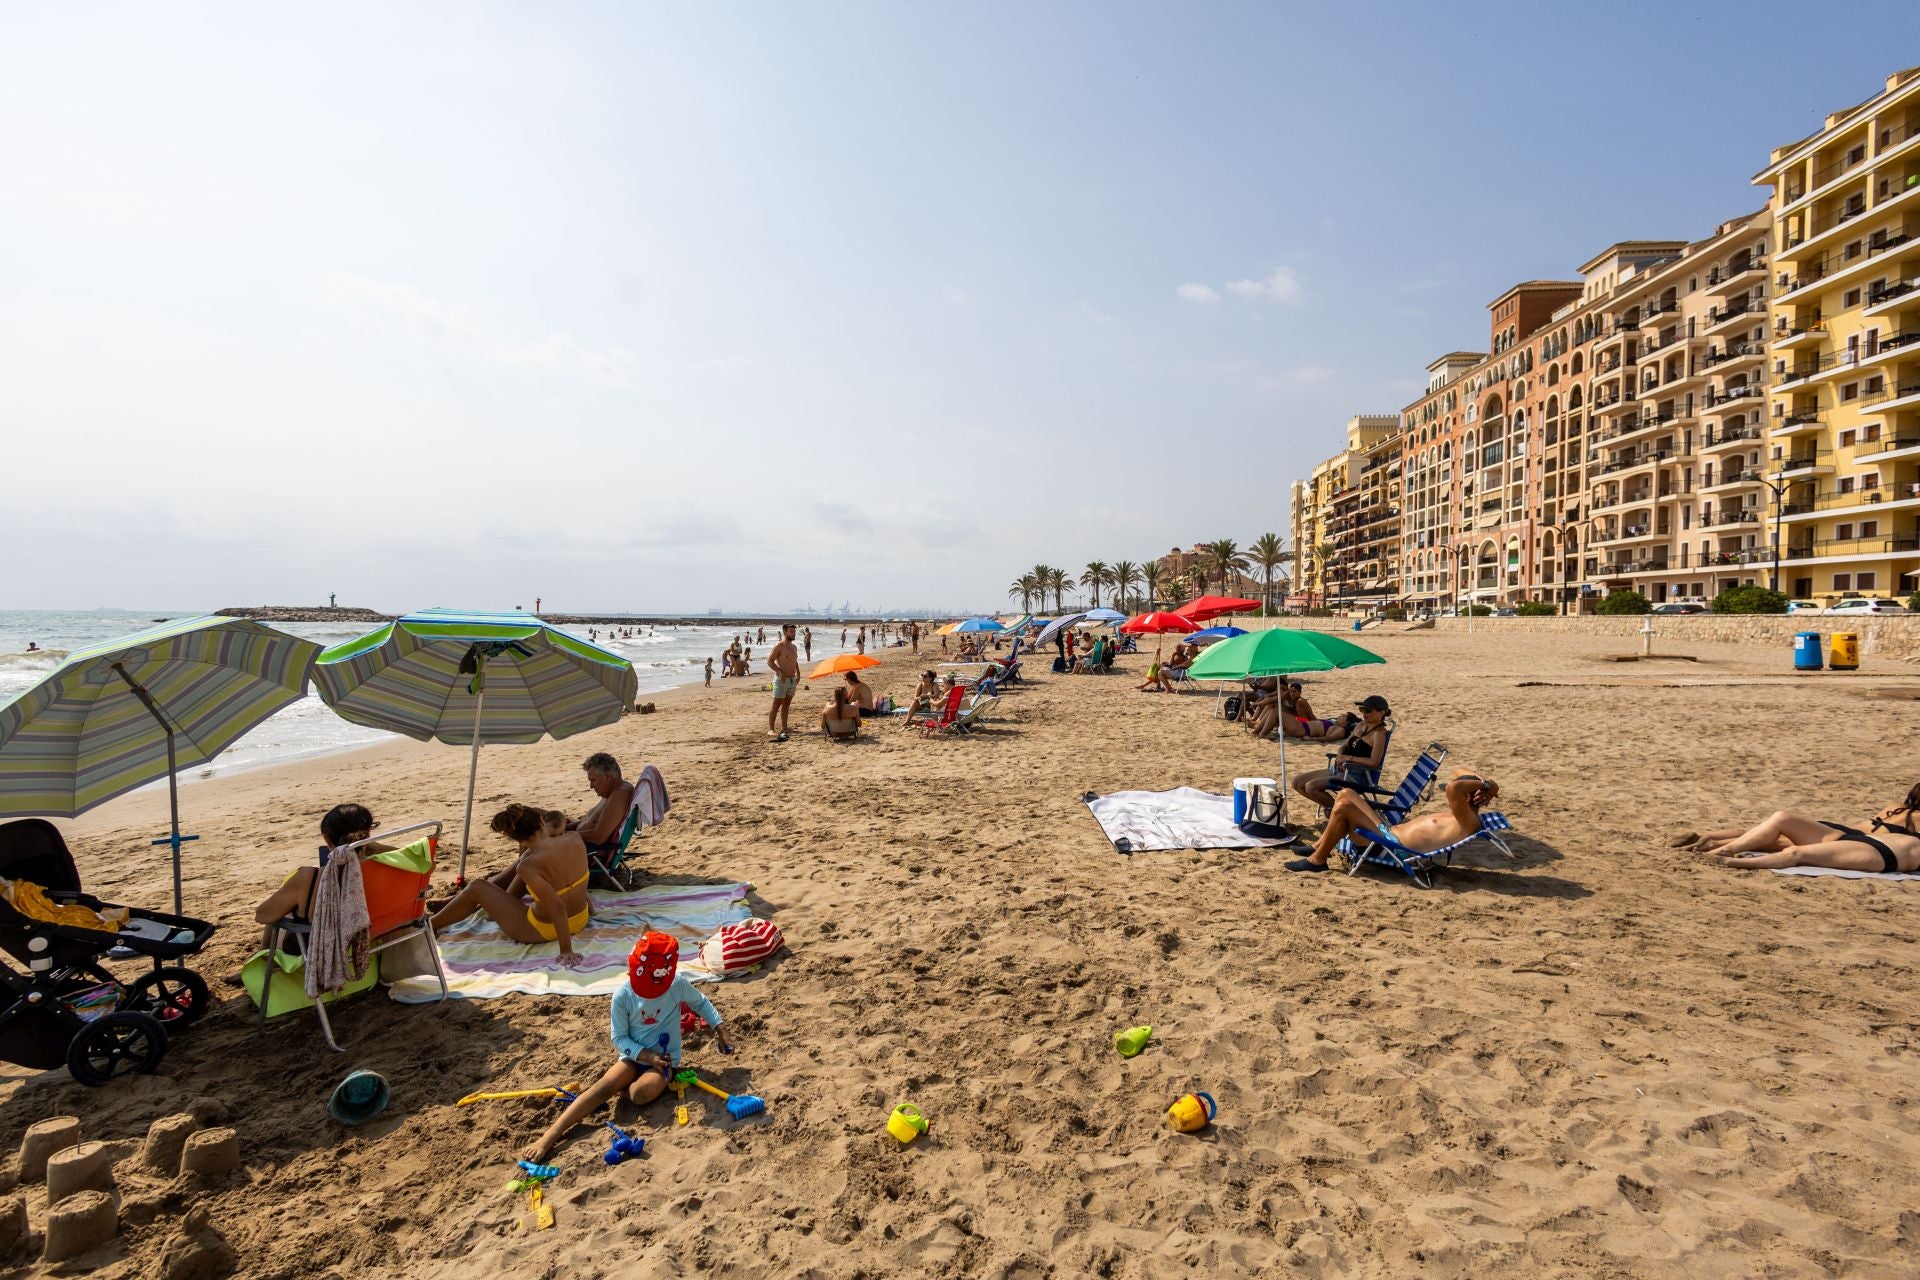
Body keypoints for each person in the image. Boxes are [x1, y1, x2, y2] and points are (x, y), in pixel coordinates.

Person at [521, 932, 732, 1162]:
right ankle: (550, 1135)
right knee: (601, 1087)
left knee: (640, 1094)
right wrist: (646, 1056)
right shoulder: (623, 994)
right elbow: (619, 1038)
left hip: (664, 1061)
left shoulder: (676, 985)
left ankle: (625, 1088)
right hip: (633, 1057)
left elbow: (700, 1003)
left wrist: (720, 1029)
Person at [431, 804, 593, 965]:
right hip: (580, 918)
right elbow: (577, 880)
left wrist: (566, 950)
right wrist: (592, 910)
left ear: (517, 839)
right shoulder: (574, 838)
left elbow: (557, 906)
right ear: (542, 822)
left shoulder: (528, 866)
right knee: (529, 869)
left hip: (544, 930)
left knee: (477, 886)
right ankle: (496, 908)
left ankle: (431, 925)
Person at [1286, 768, 1501, 873]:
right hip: (1389, 835)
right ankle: (1318, 848)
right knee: (1346, 795)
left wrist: (1485, 787)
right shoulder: (1459, 815)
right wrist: (1488, 784)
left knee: (1343, 803)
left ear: (1467, 795)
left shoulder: (1468, 821)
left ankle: (1317, 860)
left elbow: (1455, 787)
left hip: (1395, 848)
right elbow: (1459, 773)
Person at [1689, 782, 1920, 872]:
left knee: (1778, 836)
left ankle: (1717, 847)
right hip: (1863, 843)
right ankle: (1723, 852)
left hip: (1854, 838)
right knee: (1783, 843)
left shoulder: (1896, 807)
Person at [1292, 695, 1392, 809]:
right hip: (1339, 768)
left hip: (1356, 775)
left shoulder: (1379, 734)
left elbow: (1374, 762)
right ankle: (1333, 808)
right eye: (1362, 710)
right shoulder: (1361, 725)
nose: (1364, 714)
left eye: (1368, 711)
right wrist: (1340, 755)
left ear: (1381, 713)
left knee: (1311, 787)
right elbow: (1344, 746)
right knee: (1297, 782)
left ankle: (1337, 811)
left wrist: (1349, 759)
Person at [568, 753, 634, 856]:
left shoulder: (619, 795)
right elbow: (591, 821)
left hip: (588, 852)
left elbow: (598, 837)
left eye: (593, 780)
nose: (591, 786)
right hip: (579, 841)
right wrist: (565, 829)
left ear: (607, 776)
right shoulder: (611, 792)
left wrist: (565, 835)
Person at [767, 623, 800, 741]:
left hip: (792, 680)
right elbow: (770, 661)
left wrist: (799, 674)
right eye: (791, 631)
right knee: (776, 705)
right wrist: (779, 671)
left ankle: (784, 727)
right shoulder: (779, 646)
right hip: (781, 680)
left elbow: (795, 662)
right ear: (785, 632)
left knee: (786, 705)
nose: (793, 633)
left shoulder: (794, 647)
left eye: (794, 631)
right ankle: (771, 729)